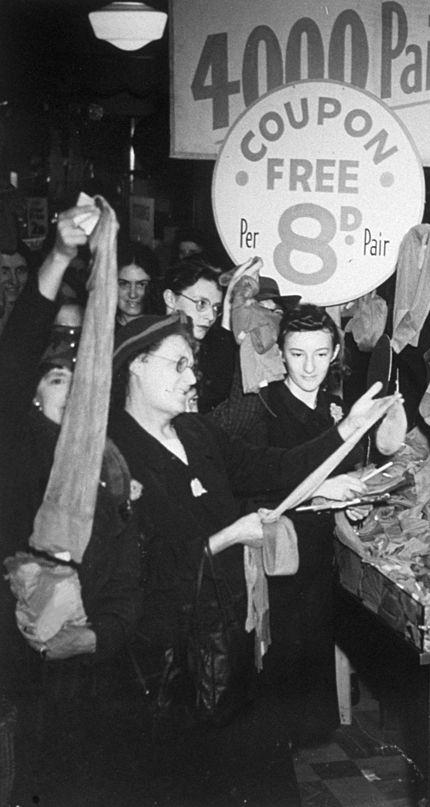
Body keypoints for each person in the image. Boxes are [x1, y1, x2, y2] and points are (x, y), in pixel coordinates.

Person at [108, 312, 400, 805]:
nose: (192, 377)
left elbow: (275, 468)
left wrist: (346, 428)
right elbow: (134, 576)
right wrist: (226, 538)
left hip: (234, 636)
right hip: (169, 662)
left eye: (192, 364)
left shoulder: (196, 432)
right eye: (179, 364)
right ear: (136, 365)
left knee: (262, 776)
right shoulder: (114, 455)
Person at [1, 203, 144, 804]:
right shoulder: (19, 441)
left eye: (79, 378)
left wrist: (101, 634)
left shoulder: (103, 453)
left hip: (91, 655)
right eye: (59, 379)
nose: (73, 390)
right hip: (23, 654)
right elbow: (17, 348)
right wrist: (60, 255)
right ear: (34, 394)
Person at [215, 303, 405, 744]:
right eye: (298, 354)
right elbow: (250, 487)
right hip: (272, 561)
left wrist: (351, 502)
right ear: (281, 353)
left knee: (311, 656)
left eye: (321, 354)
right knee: (275, 667)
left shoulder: (334, 408)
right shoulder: (259, 407)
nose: (309, 367)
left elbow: (344, 476)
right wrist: (322, 492)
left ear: (336, 352)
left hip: (319, 557)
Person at [162, 257, 233, 411]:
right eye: (201, 304)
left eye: (216, 308)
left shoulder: (203, 351)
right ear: (170, 298)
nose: (211, 317)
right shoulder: (152, 351)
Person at [116, 239, 160, 327]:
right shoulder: (98, 331)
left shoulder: (165, 332)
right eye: (124, 284)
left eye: (141, 285)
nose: (132, 294)